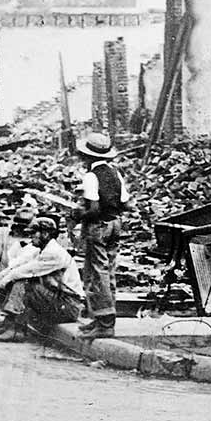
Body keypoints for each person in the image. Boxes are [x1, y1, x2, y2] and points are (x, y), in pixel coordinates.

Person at [0, 209, 81, 342]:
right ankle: (9, 323)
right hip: (57, 300)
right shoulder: (41, 251)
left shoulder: (54, 253)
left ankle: (17, 330)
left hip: (68, 306)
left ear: (45, 234)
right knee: (17, 280)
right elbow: (16, 265)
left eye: (34, 233)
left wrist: (2, 283)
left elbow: (26, 271)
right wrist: (0, 278)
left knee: (24, 283)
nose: (31, 236)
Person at [70, 131, 127, 338]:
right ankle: (101, 318)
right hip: (115, 224)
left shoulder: (91, 177)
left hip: (98, 226)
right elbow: (126, 203)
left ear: (88, 157)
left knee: (97, 272)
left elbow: (93, 209)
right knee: (109, 271)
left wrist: (78, 215)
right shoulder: (115, 173)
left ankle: (104, 323)